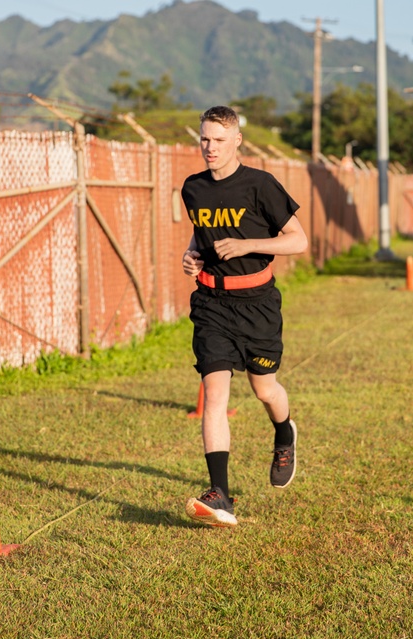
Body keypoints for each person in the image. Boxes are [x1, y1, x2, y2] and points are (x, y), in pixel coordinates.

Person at [180, 105, 308, 528]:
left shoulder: (260, 185)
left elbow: (298, 241)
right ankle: (221, 494)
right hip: (211, 305)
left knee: (265, 390)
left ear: (237, 141)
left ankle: (285, 433)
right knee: (214, 396)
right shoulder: (192, 188)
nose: (209, 148)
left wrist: (248, 244)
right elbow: (203, 231)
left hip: (257, 304)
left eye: (218, 140)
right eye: (204, 139)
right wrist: (192, 254)